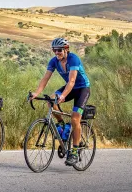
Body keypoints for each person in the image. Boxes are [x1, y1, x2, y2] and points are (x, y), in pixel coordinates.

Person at [29, 37, 90, 166]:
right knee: (50, 100)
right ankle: (61, 124)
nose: (57, 53)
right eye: (54, 50)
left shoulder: (73, 59)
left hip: (82, 89)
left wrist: (62, 95)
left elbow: (72, 81)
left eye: (59, 50)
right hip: (69, 88)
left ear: (66, 49)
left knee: (75, 119)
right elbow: (45, 78)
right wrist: (36, 93)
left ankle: (74, 151)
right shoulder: (54, 61)